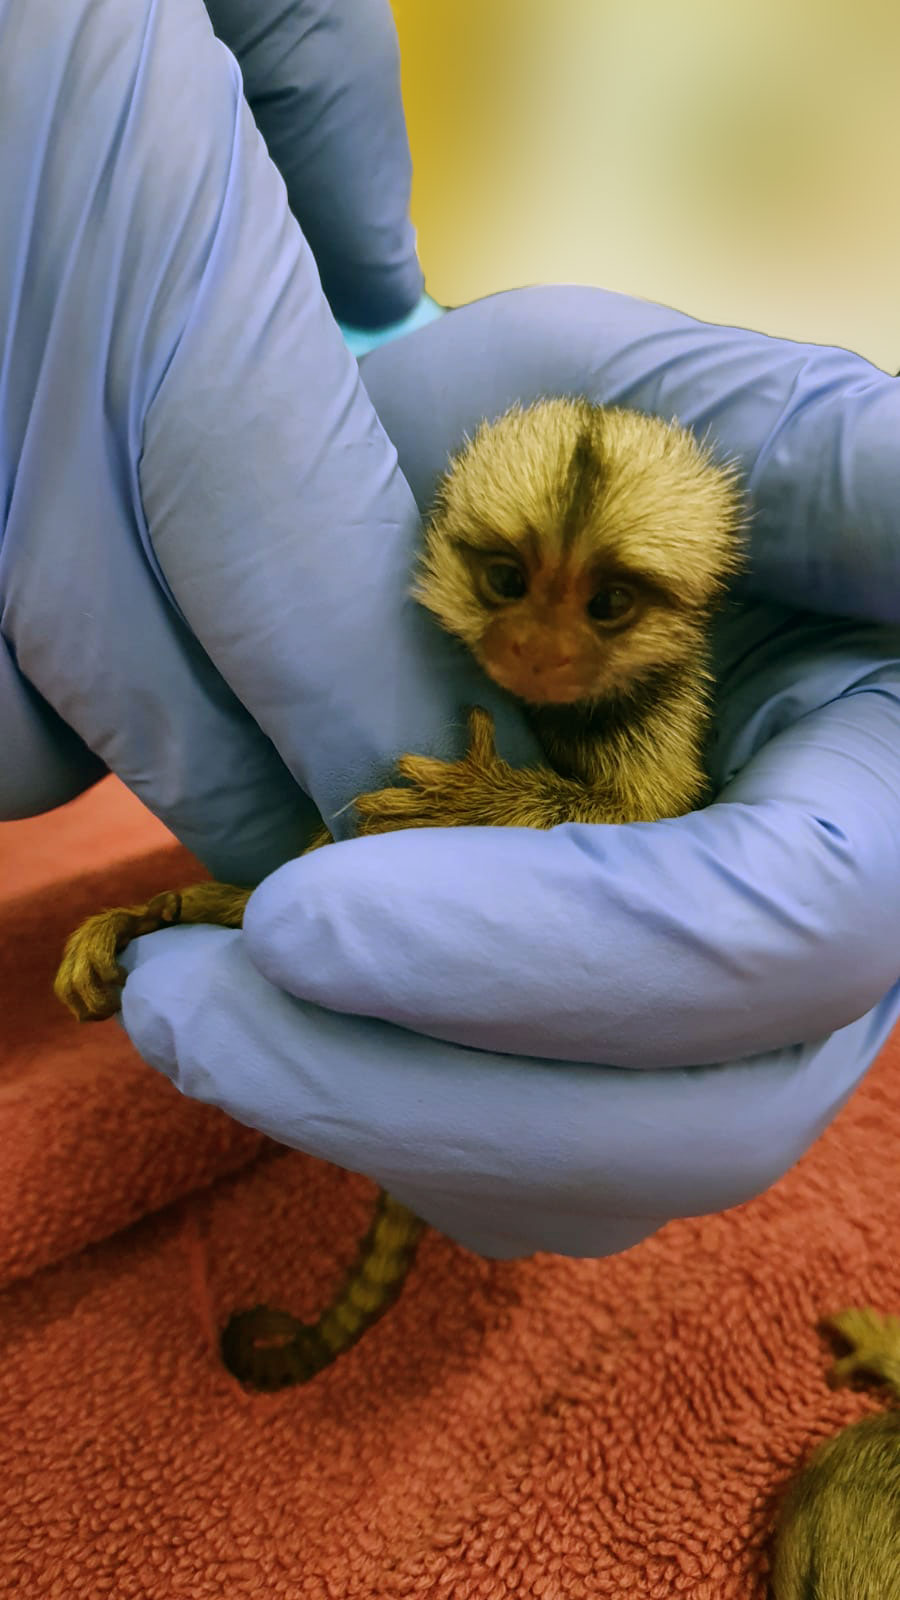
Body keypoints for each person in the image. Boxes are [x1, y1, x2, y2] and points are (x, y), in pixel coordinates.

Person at [3, 0, 900, 1259]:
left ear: (692, 605)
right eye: (502, 577)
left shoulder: (666, 705)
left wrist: (522, 803)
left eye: (607, 603)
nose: (543, 643)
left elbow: (638, 832)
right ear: (440, 536)